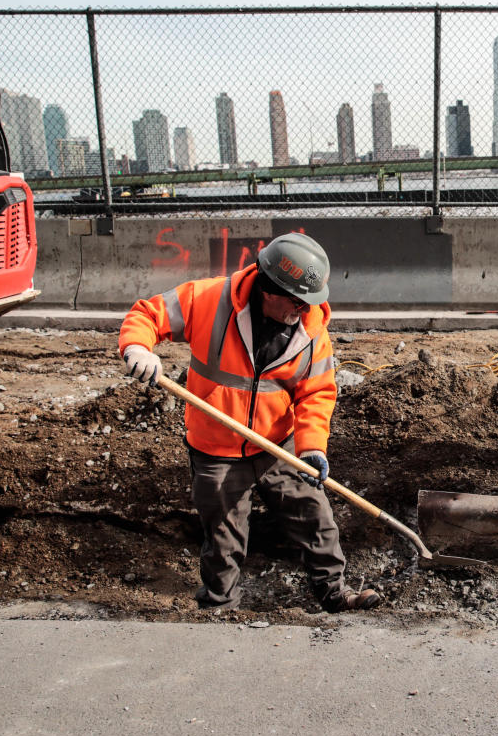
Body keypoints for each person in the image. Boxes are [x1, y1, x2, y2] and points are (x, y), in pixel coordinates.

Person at [117, 233, 380, 613]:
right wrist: (138, 347)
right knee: (223, 536)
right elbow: (146, 315)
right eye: (297, 301)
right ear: (269, 288)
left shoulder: (311, 329)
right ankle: (220, 608)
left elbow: (316, 394)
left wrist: (311, 448)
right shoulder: (209, 300)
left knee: (315, 518)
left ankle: (335, 594)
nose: (304, 310)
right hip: (216, 448)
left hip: (279, 444)